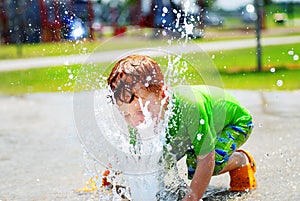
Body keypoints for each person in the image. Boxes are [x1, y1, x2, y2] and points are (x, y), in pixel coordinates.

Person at [92, 54, 257, 200]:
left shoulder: (190, 107)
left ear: (162, 94)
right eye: (126, 114)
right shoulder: (138, 121)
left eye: (142, 110)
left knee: (197, 164)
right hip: (197, 126)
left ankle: (240, 160)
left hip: (234, 123)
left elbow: (207, 159)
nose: (135, 121)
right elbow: (132, 155)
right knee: (159, 159)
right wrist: (107, 179)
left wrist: (191, 198)